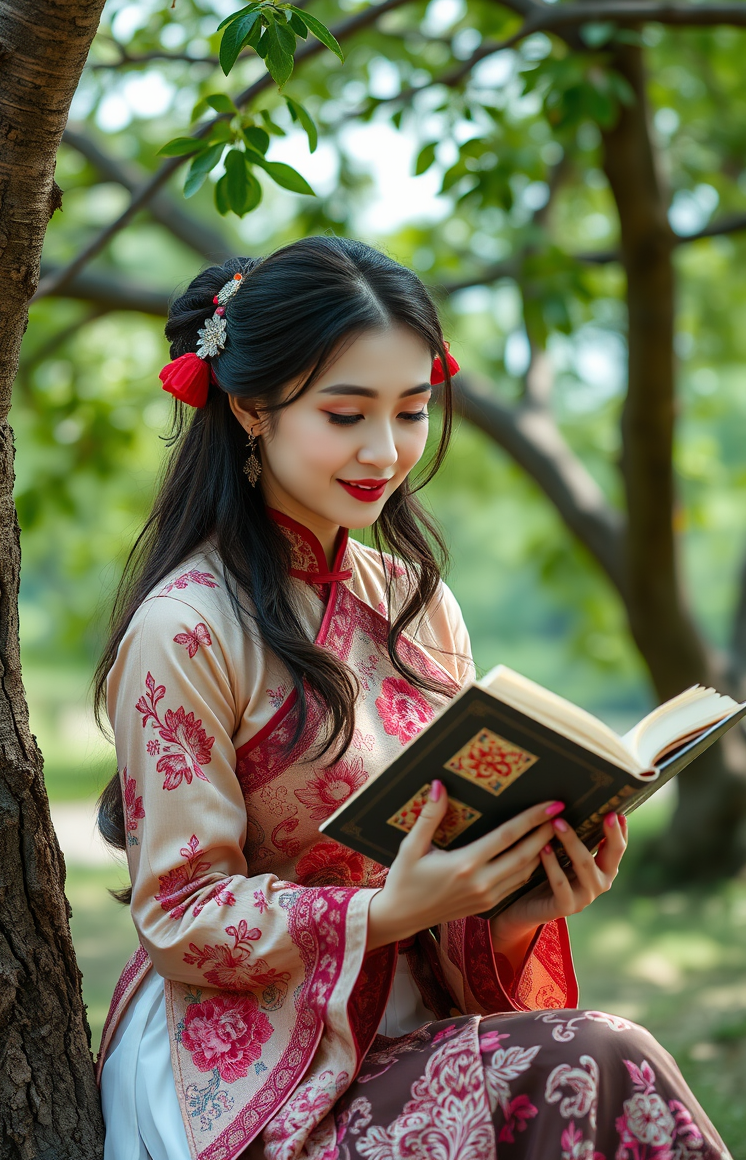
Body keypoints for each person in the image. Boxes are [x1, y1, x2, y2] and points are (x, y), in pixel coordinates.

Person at [96, 236, 731, 1160]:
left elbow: (444, 859)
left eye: (412, 411)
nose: (385, 451)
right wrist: (386, 913)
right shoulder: (186, 628)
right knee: (599, 1059)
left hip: (408, 1024)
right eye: (347, 414)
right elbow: (180, 918)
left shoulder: (417, 605)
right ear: (247, 407)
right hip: (241, 1075)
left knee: (594, 1064)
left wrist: (516, 908)